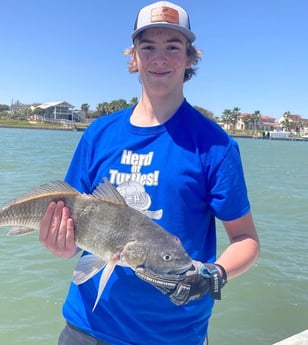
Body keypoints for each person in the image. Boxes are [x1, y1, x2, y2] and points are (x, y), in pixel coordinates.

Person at [40, 2, 260, 344]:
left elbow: (246, 241)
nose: (160, 58)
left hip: (174, 334)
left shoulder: (216, 145)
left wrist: (213, 274)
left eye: (173, 47)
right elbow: (72, 226)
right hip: (86, 327)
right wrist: (61, 243)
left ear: (189, 58)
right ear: (134, 58)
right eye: (148, 47)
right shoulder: (99, 133)